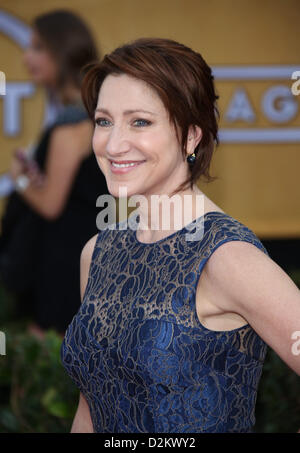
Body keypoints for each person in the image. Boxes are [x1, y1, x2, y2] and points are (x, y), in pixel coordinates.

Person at [60, 37, 300, 433]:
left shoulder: (226, 257)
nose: (114, 144)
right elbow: (91, 404)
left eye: (140, 121)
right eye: (104, 121)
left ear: (190, 136)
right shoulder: (98, 252)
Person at [0, 10, 109, 336]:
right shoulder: (85, 113)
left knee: (44, 370)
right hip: (72, 258)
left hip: (63, 266)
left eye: (37, 48)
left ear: (62, 52)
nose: (27, 57)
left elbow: (50, 204)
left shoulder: (72, 122)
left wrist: (19, 177)